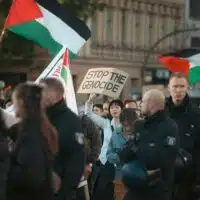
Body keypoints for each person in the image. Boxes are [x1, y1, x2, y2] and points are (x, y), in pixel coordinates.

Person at [118, 89, 179, 200]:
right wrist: (139, 148)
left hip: (157, 192)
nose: (140, 105)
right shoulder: (140, 125)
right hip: (135, 189)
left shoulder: (169, 127)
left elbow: (157, 159)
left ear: (151, 104)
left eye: (143, 102)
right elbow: (123, 154)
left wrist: (136, 148)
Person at [7, 82, 58, 200]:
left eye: (14, 101)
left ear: (21, 102)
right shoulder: (40, 126)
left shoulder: (31, 133)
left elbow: (32, 176)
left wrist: (6, 168)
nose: (13, 106)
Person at [39, 78, 85, 200]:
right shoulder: (38, 118)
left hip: (60, 192)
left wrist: (64, 191)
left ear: (55, 94)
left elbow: (77, 159)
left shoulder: (71, 121)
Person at [165, 72, 200, 200]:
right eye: (175, 86)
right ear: (169, 88)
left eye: (182, 86)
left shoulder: (196, 114)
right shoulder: (159, 112)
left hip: (188, 177)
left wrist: (197, 180)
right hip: (162, 175)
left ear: (187, 87)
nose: (178, 90)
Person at [85, 94, 123, 200]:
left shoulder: (125, 125)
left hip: (117, 165)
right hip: (103, 163)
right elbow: (88, 114)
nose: (114, 109)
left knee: (114, 193)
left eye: (117, 107)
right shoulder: (106, 123)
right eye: (112, 107)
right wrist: (90, 99)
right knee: (99, 192)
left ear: (122, 109)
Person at [107, 108, 138, 179]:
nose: (128, 128)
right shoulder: (115, 133)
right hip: (121, 175)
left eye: (130, 125)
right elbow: (109, 155)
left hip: (138, 174)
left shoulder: (140, 133)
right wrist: (119, 157)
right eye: (125, 125)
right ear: (121, 122)